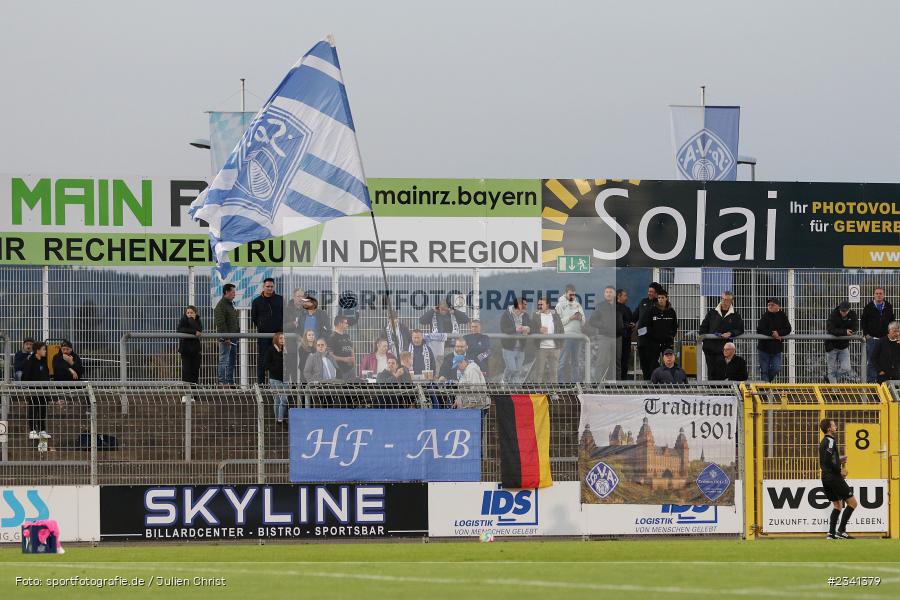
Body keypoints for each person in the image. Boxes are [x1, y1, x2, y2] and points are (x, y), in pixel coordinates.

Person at [819, 418, 857, 539]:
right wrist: (839, 470)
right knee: (853, 503)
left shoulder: (823, 442)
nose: (836, 426)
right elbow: (829, 460)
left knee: (837, 505)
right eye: (833, 425)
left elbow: (826, 460)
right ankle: (841, 530)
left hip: (825, 477)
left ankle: (831, 533)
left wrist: (839, 460)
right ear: (829, 429)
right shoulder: (830, 441)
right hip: (833, 477)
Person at [698, 291, 745, 377]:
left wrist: (731, 333)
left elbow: (740, 329)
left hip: (725, 349)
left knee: (722, 373)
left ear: (732, 301)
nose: (725, 302)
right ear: (721, 299)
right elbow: (703, 328)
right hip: (710, 348)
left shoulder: (735, 315)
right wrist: (706, 340)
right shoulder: (712, 313)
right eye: (723, 299)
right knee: (711, 373)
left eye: (727, 300)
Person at [637, 289, 678, 380]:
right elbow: (646, 325)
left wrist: (671, 335)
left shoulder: (671, 312)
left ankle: (668, 381)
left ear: (666, 298)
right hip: (653, 342)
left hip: (667, 342)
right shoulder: (652, 311)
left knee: (668, 362)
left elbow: (674, 326)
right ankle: (653, 381)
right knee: (652, 363)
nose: (660, 300)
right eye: (659, 298)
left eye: (662, 298)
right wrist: (651, 335)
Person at [585, 286, 623, 381]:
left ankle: (616, 385)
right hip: (604, 338)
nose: (608, 294)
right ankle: (598, 384)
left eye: (610, 292)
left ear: (614, 294)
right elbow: (592, 321)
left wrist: (623, 327)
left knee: (616, 363)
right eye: (606, 292)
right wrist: (603, 325)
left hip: (617, 338)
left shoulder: (619, 307)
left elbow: (626, 319)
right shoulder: (600, 306)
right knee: (602, 362)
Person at [250, 278, 283, 384]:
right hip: (263, 336)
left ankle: (278, 385)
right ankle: (261, 385)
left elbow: (284, 315)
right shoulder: (257, 301)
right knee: (263, 360)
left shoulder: (280, 299)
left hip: (277, 336)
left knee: (279, 359)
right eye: (267, 286)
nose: (270, 288)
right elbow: (254, 317)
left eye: (271, 286)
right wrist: (262, 327)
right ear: (263, 287)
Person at [861, 288, 895, 383]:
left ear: (883, 295)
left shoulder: (888, 306)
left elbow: (892, 321)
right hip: (872, 339)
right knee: (872, 361)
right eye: (877, 293)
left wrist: (891, 334)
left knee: (886, 360)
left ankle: (884, 383)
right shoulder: (868, 307)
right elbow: (863, 321)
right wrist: (866, 334)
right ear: (874, 295)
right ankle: (872, 383)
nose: (879, 295)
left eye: (880, 293)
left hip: (885, 339)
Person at [756, 297, 792, 382]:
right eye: (768, 305)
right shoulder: (765, 315)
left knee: (776, 369)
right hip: (764, 348)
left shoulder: (782, 316)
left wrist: (778, 333)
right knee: (764, 371)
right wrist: (772, 333)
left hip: (776, 349)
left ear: (778, 306)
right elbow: (759, 329)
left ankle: (766, 383)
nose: (770, 306)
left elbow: (788, 329)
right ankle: (765, 388)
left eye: (772, 305)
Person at [555, 284, 585, 382]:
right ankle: (560, 384)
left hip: (577, 337)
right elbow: (557, 322)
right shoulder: (559, 305)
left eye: (574, 295)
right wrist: (570, 318)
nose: (572, 296)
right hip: (566, 336)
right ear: (566, 293)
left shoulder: (578, 305)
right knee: (563, 361)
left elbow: (584, 321)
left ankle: (575, 384)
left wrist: (580, 318)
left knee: (576, 362)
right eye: (570, 294)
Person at [22, 341, 51, 439]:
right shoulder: (30, 361)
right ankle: (32, 431)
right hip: (33, 390)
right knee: (33, 410)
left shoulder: (43, 360)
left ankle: (42, 430)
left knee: (42, 410)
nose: (45, 351)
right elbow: (25, 376)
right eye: (43, 349)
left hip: (44, 390)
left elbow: (46, 374)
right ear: (37, 350)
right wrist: (27, 389)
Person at [531, 298, 564, 382]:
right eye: (538, 304)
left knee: (554, 373)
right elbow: (531, 330)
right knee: (539, 373)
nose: (539, 306)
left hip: (555, 348)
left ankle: (554, 390)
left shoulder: (555, 315)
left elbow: (561, 330)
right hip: (541, 348)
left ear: (547, 305)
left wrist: (560, 344)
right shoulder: (536, 315)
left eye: (542, 304)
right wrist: (539, 330)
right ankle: (537, 390)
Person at [826, 301, 859, 383]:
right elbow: (830, 329)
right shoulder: (833, 315)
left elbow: (855, 326)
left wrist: (852, 331)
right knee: (831, 369)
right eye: (841, 311)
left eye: (845, 311)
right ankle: (834, 389)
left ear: (849, 310)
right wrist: (845, 332)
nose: (843, 313)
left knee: (846, 368)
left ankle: (829, 377)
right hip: (832, 346)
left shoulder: (852, 314)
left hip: (844, 346)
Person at [635, 282, 663, 380]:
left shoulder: (660, 304)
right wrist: (630, 323)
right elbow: (635, 315)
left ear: (656, 293)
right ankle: (646, 384)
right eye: (648, 291)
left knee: (653, 364)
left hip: (653, 341)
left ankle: (654, 383)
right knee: (644, 364)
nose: (649, 293)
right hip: (642, 340)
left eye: (651, 292)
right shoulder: (643, 302)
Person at [499, 298, 530, 383]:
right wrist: (515, 329)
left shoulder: (526, 315)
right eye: (524, 304)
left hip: (521, 348)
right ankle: (504, 380)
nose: (526, 306)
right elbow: (504, 329)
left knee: (517, 372)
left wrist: (528, 329)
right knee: (512, 369)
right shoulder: (506, 314)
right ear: (519, 305)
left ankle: (514, 389)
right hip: (508, 348)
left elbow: (530, 326)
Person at [214, 283, 239, 385]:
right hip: (227, 338)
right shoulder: (221, 306)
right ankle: (222, 383)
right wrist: (226, 337)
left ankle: (230, 382)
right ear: (227, 292)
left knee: (231, 361)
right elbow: (220, 323)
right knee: (224, 360)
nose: (234, 294)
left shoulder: (229, 304)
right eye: (233, 292)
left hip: (233, 337)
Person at [264, 332, 290, 427]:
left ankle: (280, 419)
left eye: (284, 338)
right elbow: (266, 365)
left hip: (286, 378)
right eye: (280, 338)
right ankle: (279, 420)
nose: (283, 340)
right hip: (275, 378)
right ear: (276, 339)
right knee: (278, 399)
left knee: (284, 399)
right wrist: (279, 354)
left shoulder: (286, 350)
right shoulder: (271, 350)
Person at [177, 305, 202, 385]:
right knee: (186, 371)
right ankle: (186, 391)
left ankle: (194, 391)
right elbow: (180, 329)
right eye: (188, 313)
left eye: (191, 313)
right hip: (185, 350)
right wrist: (193, 332)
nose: (189, 314)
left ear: (195, 313)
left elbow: (199, 330)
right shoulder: (183, 320)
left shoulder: (197, 320)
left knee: (195, 370)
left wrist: (192, 320)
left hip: (195, 350)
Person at [328, 315, 356, 380]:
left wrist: (354, 367)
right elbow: (330, 356)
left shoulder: (347, 336)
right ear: (340, 324)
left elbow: (352, 351)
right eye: (345, 323)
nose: (347, 325)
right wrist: (344, 359)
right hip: (340, 372)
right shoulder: (332, 338)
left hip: (351, 371)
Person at [617, 289, 635, 380]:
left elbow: (632, 321)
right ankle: (614, 382)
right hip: (617, 339)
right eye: (625, 296)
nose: (626, 298)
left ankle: (622, 382)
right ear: (619, 296)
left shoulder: (627, 309)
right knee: (617, 361)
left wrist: (632, 325)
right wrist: (625, 325)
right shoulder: (614, 308)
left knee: (625, 361)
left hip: (626, 339)